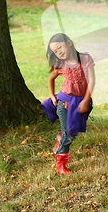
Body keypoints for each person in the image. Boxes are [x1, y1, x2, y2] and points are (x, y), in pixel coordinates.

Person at [41, 33, 95, 174]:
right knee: (69, 134)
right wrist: (52, 96)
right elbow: (51, 79)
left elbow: (92, 81)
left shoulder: (85, 59)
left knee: (73, 130)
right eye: (55, 51)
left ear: (69, 43)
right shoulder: (60, 64)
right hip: (65, 101)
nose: (59, 52)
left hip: (82, 100)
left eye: (60, 47)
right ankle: (60, 164)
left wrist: (86, 100)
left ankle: (61, 138)